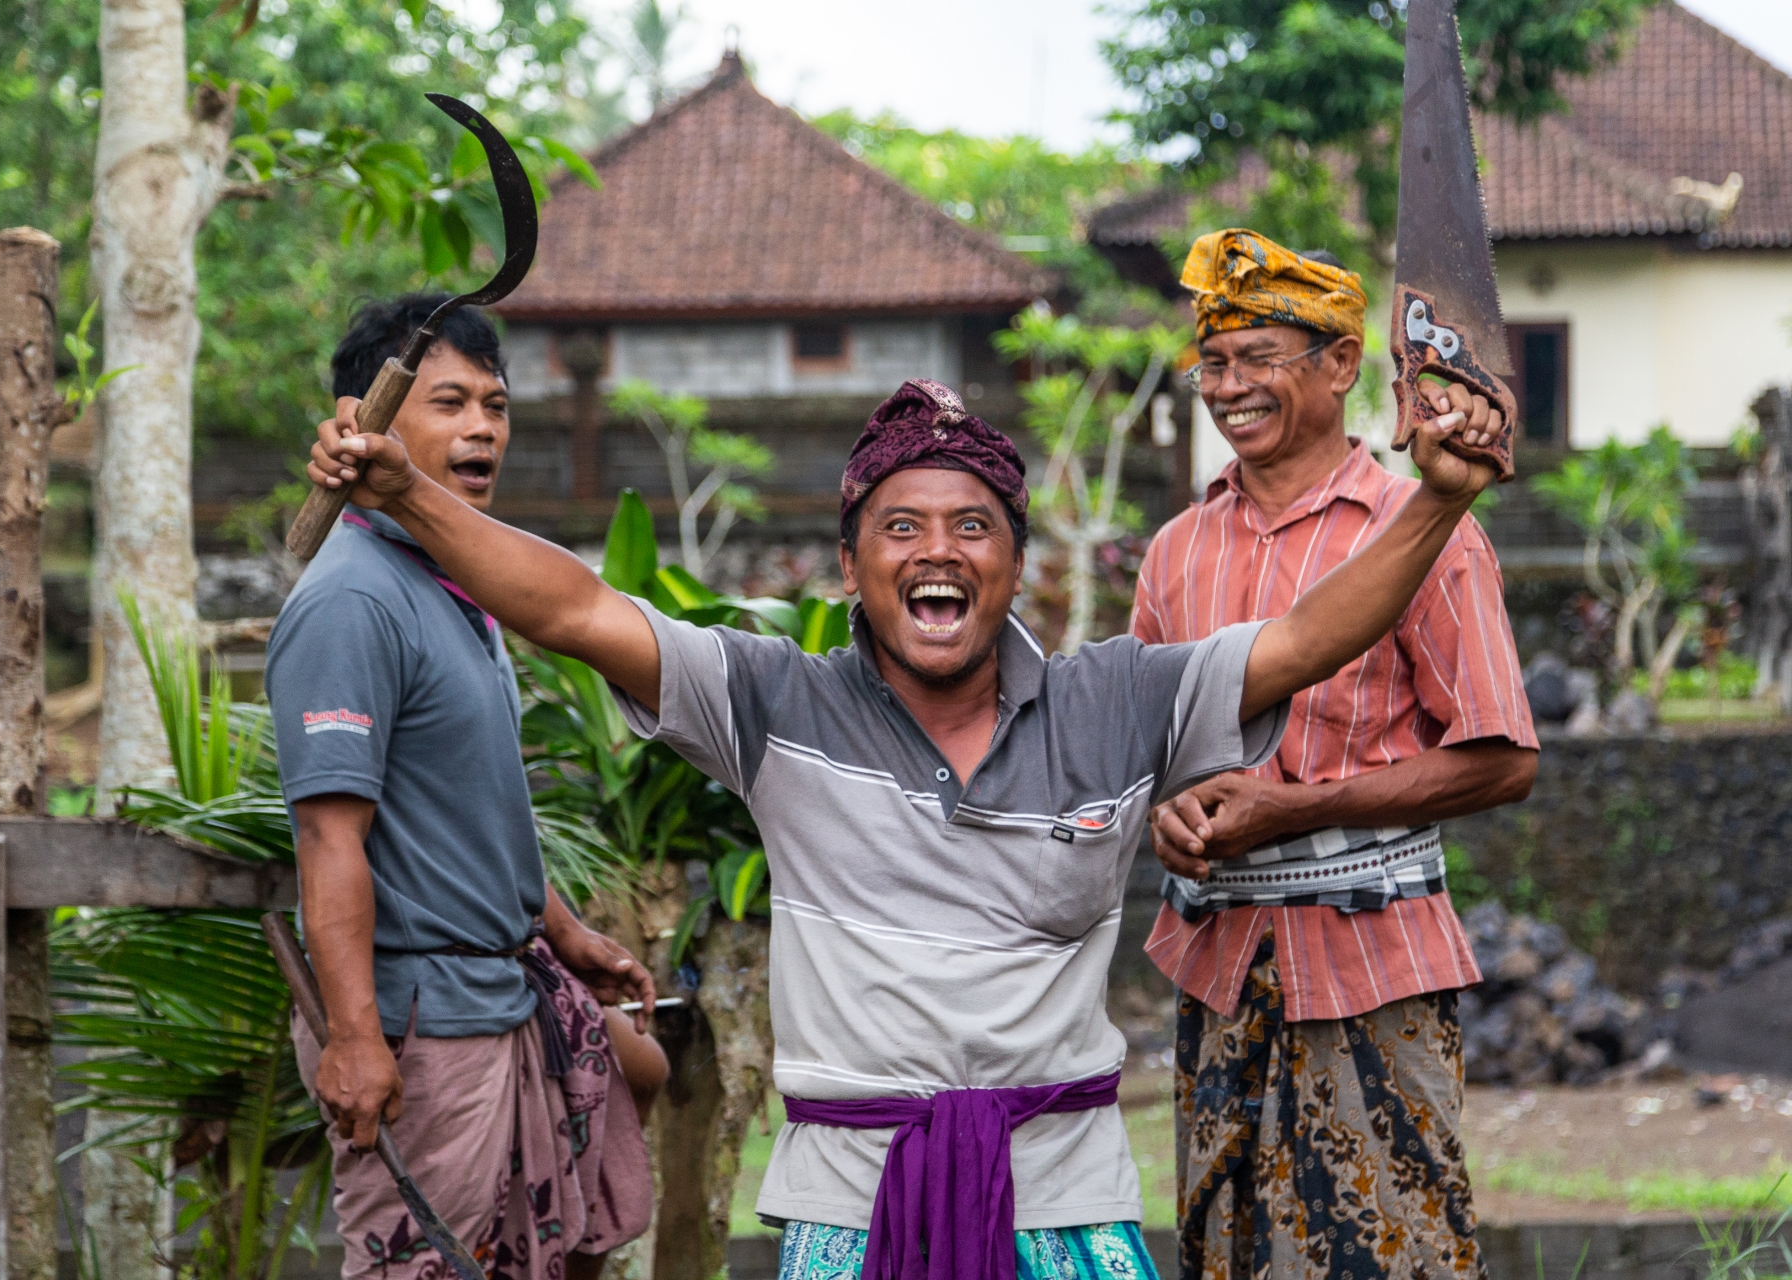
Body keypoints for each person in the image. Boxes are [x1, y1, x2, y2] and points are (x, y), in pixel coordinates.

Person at [303, 352, 1501, 1279]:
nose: (940, 551)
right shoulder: (775, 702)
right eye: (902, 526)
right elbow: (574, 607)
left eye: (973, 525)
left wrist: (1437, 501)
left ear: (1014, 562)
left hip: (1064, 1198)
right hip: (847, 1202)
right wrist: (408, 494)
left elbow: (1306, 636)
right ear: (852, 565)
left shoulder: (1119, 698)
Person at [1132, 229, 1539, 1280]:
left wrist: (1298, 808)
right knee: (1225, 1250)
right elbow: (1144, 754)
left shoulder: (1425, 529)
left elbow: (1504, 761)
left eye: (1258, 358)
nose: (1229, 387)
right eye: (1212, 363)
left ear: (1342, 363)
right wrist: (1162, 814)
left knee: (1391, 1251)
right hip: (1217, 967)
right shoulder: (1175, 551)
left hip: (1376, 967)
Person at [265, 295, 663, 1280]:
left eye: (496, 403)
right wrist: (356, 1037)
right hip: (424, 1023)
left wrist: (563, 929)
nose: (482, 427)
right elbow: (329, 838)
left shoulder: (459, 586)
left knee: (639, 1072)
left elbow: (470, 803)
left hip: (504, 987)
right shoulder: (353, 600)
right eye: (449, 402)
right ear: (367, 420)